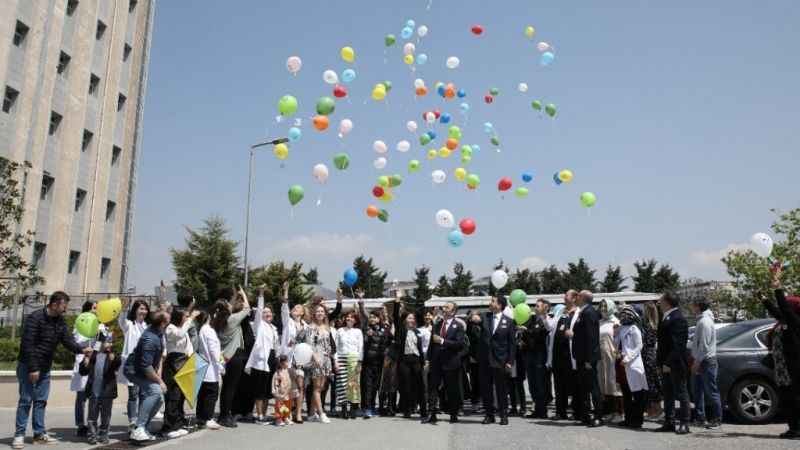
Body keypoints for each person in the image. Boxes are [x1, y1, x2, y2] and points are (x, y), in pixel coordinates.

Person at [13, 291, 93, 448]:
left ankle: (39, 434)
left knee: (41, 401)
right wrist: (33, 368)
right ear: (55, 304)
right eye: (64, 305)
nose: (65, 309)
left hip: (45, 367)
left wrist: (81, 350)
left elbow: (67, 340)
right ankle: (19, 435)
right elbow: (27, 345)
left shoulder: (60, 321)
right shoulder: (35, 318)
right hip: (29, 366)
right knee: (26, 400)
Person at [763, 264, 800, 439]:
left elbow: (783, 307)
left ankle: (797, 429)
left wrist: (777, 285)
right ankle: (793, 428)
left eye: (789, 306)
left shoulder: (795, 323)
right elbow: (778, 311)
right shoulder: (785, 320)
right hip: (783, 369)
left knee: (794, 399)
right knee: (787, 400)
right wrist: (764, 299)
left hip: (793, 368)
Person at [124, 310, 170, 442]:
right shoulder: (150, 338)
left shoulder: (158, 333)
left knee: (159, 398)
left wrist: (158, 376)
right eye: (168, 318)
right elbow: (146, 366)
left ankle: (143, 428)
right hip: (134, 370)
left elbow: (158, 359)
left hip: (144, 370)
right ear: (162, 323)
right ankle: (138, 428)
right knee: (155, 392)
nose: (170, 320)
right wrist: (160, 381)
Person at [213, 287, 251, 428]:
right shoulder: (232, 319)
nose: (231, 304)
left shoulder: (217, 322)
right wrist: (243, 294)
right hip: (234, 357)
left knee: (225, 388)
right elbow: (247, 309)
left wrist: (236, 296)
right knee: (230, 388)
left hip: (224, 358)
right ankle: (225, 416)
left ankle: (223, 414)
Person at [654, 291, 691, 435]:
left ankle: (684, 423)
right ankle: (669, 421)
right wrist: (660, 363)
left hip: (675, 364)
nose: (659, 302)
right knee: (668, 394)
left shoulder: (678, 318)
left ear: (667, 302)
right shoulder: (667, 317)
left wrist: (668, 363)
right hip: (665, 363)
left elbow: (678, 345)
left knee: (681, 393)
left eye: (661, 300)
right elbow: (663, 344)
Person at [70, 301, 108, 438]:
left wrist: (95, 350)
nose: (96, 311)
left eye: (97, 309)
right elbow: (76, 342)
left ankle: (92, 423)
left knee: (94, 395)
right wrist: (86, 350)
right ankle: (80, 425)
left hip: (96, 361)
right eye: (93, 308)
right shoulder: (80, 322)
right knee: (81, 396)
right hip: (82, 359)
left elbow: (102, 342)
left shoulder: (101, 325)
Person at [425, 301, 465, 424]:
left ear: (453, 311)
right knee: (433, 388)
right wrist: (428, 359)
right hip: (436, 362)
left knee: (452, 389)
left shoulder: (458, 326)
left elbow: (459, 344)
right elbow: (432, 343)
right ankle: (432, 413)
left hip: (451, 362)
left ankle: (453, 414)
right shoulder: (437, 324)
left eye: (447, 307)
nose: (444, 308)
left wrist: (442, 341)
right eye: (444, 307)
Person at [478, 295, 516, 425]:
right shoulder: (485, 317)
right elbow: (472, 317)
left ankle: (503, 415)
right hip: (485, 360)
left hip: (500, 360)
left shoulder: (509, 321)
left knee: (501, 389)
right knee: (486, 389)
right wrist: (473, 317)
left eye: (493, 301)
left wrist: (510, 362)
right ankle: (489, 415)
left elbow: (512, 344)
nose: (490, 303)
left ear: (500, 305)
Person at [246, 285, 280, 425]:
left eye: (269, 313)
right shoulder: (258, 325)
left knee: (267, 391)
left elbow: (276, 346)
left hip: (271, 360)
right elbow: (259, 311)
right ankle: (259, 416)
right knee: (259, 390)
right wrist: (261, 294)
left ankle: (264, 415)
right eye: (265, 313)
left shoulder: (274, 328)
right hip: (261, 361)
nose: (267, 314)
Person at [79, 334, 122, 445]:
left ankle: (103, 435)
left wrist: (113, 357)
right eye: (105, 342)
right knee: (92, 416)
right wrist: (85, 361)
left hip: (107, 391)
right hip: (94, 392)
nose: (107, 344)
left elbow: (118, 363)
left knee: (106, 416)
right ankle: (92, 436)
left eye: (109, 342)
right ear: (100, 343)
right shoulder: (93, 355)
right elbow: (83, 371)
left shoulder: (112, 355)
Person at [296, 304, 335, 423]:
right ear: (314, 314)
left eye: (322, 311)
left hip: (326, 360)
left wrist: (330, 358)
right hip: (316, 360)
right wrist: (315, 357)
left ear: (324, 314)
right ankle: (321, 413)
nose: (320, 313)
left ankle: (312, 413)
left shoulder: (327, 327)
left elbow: (329, 345)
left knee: (320, 388)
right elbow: (309, 345)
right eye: (317, 311)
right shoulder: (310, 328)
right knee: (317, 388)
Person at [570, 290, 603, 427]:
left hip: (587, 359)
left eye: (578, 296)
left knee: (593, 387)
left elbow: (592, 338)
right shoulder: (583, 312)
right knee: (583, 387)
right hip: (581, 357)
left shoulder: (589, 312)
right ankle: (586, 415)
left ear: (583, 298)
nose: (576, 297)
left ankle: (598, 416)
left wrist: (590, 359)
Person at [160, 307, 194, 438]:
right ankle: (168, 427)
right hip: (173, 363)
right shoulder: (171, 328)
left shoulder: (183, 330)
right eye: (185, 316)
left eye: (187, 316)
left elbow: (189, 347)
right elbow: (179, 334)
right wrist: (191, 319)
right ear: (179, 317)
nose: (187, 319)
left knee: (180, 396)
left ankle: (177, 423)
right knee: (173, 395)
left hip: (183, 362)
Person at [118, 298, 150, 433]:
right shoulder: (129, 325)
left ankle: (141, 423)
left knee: (144, 395)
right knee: (133, 394)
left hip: (145, 365)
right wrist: (124, 309)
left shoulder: (148, 327)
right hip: (132, 366)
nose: (143, 311)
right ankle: (132, 421)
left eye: (145, 309)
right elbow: (121, 321)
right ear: (135, 310)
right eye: (140, 308)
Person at [690, 297, 722, 429]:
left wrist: (696, 362)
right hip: (702, 360)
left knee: (711, 391)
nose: (691, 307)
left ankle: (716, 419)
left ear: (698, 306)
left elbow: (704, 345)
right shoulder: (702, 320)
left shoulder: (704, 322)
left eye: (693, 305)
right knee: (698, 391)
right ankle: (700, 417)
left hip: (706, 361)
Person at [614, 305, 648, 429]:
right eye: (622, 314)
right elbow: (617, 344)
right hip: (621, 365)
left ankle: (638, 420)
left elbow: (639, 346)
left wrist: (627, 358)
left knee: (638, 394)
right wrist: (615, 333)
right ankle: (628, 419)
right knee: (626, 394)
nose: (624, 316)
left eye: (627, 314)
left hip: (632, 364)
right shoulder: (621, 328)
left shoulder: (634, 329)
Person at [357, 293, 388, 419]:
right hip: (367, 363)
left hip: (379, 363)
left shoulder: (383, 330)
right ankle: (367, 408)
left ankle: (371, 407)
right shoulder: (365, 328)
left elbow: (387, 344)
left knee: (375, 386)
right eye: (372, 317)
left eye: (375, 318)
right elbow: (364, 314)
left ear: (379, 319)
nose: (373, 319)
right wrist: (361, 301)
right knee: (367, 386)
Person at [280, 285, 308, 423]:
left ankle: (298, 414)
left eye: (297, 308)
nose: (294, 309)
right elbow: (284, 306)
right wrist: (286, 291)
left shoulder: (306, 326)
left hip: (300, 361)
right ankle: (286, 414)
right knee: (287, 387)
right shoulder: (288, 322)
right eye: (294, 307)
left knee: (300, 386)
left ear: (302, 312)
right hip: (288, 359)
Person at [551, 291, 579, 420]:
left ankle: (576, 411)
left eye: (567, 295)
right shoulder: (561, 312)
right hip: (557, 355)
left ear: (574, 298)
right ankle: (560, 411)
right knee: (558, 384)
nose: (564, 297)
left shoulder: (577, 313)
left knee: (573, 385)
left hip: (570, 356)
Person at [521, 298, 551, 419]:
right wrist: (523, 340)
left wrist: (527, 331)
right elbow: (529, 335)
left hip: (540, 355)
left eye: (538, 306)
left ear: (545, 307)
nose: (535, 308)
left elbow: (539, 335)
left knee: (540, 383)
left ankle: (542, 410)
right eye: (535, 306)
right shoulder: (532, 319)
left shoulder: (548, 320)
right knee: (532, 383)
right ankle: (536, 409)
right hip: (530, 354)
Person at [195, 310, 223, 430]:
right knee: (211, 394)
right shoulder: (209, 331)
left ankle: (200, 418)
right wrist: (220, 366)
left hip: (203, 366)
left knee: (202, 394)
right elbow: (214, 350)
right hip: (211, 367)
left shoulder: (201, 330)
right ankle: (208, 418)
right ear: (209, 318)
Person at [335, 310, 364, 419]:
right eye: (347, 317)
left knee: (353, 384)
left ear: (355, 320)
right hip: (341, 358)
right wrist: (335, 361)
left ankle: (353, 408)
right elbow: (336, 348)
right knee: (342, 384)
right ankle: (343, 409)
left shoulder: (358, 331)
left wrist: (360, 362)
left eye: (352, 317)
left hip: (354, 358)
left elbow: (361, 348)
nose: (349, 319)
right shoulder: (340, 331)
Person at [598, 298, 623, 421]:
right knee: (603, 382)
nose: (603, 309)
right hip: (601, 358)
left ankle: (618, 412)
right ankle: (607, 411)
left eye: (605, 306)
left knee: (614, 383)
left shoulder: (616, 322)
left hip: (613, 357)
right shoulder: (600, 322)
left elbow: (620, 341)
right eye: (601, 306)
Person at [641, 302, 663, 418]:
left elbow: (645, 342)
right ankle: (655, 409)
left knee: (651, 383)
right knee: (653, 383)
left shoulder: (647, 326)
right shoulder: (655, 324)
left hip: (647, 355)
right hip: (652, 354)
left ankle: (655, 410)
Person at [466, 313, 483, 413]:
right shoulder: (470, 327)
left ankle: (481, 402)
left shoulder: (482, 326)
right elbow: (470, 342)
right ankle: (475, 403)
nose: (476, 318)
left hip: (482, 358)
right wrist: (471, 356)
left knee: (482, 381)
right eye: (474, 316)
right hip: (473, 358)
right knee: (475, 382)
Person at [272, 355, 294, 426]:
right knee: (279, 406)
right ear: (281, 364)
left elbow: (289, 381)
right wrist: (277, 392)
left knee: (287, 405)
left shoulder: (286, 371)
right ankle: (279, 419)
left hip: (287, 392)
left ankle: (285, 417)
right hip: (280, 393)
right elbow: (276, 384)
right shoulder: (278, 373)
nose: (287, 363)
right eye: (286, 362)